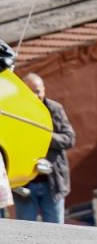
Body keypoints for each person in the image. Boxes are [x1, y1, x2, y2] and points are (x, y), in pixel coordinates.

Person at [15, 73, 75, 224]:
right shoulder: (14, 112)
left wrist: (43, 136)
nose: (35, 96)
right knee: (24, 233)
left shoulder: (55, 109)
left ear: (44, 90)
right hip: (24, 186)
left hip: (52, 183)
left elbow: (69, 138)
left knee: (55, 233)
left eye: (37, 91)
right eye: (30, 92)